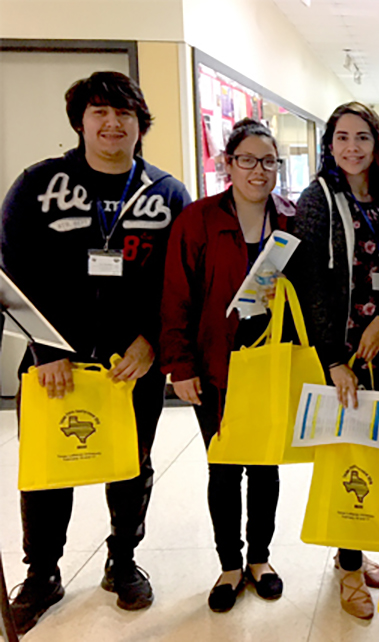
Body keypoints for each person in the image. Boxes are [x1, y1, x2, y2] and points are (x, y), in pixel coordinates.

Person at [0, 71, 191, 634]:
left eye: (125, 114)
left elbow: (177, 281)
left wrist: (152, 340)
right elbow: (11, 273)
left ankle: (123, 560)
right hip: (53, 362)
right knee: (47, 471)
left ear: (140, 124)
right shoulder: (39, 184)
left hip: (130, 365)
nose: (112, 124)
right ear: (80, 121)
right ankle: (42, 574)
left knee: (132, 465)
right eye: (99, 113)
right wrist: (46, 348)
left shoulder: (166, 192)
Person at [284, 102, 379, 620]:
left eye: (362, 137)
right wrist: (333, 360)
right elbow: (310, 282)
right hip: (345, 352)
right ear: (329, 144)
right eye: (342, 137)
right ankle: (349, 568)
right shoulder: (317, 199)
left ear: (378, 142)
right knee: (350, 459)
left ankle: (365, 548)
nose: (352, 147)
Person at [160, 118, 292, 613]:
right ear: (228, 165)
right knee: (223, 465)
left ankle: (261, 558)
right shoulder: (197, 220)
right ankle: (230, 564)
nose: (259, 171)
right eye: (248, 160)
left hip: (270, 363)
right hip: (215, 365)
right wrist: (181, 365)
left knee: (265, 465)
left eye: (269, 161)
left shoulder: (291, 219)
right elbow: (176, 297)